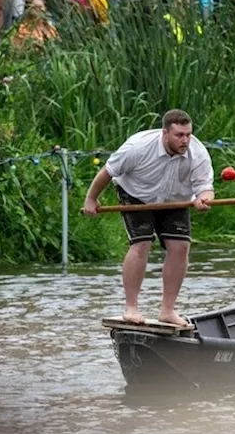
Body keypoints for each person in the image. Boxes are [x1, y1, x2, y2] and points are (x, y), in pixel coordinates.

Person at [82, 109, 214, 327]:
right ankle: (131, 308)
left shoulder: (198, 153)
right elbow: (107, 172)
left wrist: (203, 200)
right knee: (141, 244)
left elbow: (205, 188)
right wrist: (91, 199)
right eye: (179, 135)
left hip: (175, 199)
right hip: (136, 194)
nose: (185, 140)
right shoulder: (138, 148)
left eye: (188, 134)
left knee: (181, 246)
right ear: (165, 133)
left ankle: (167, 311)